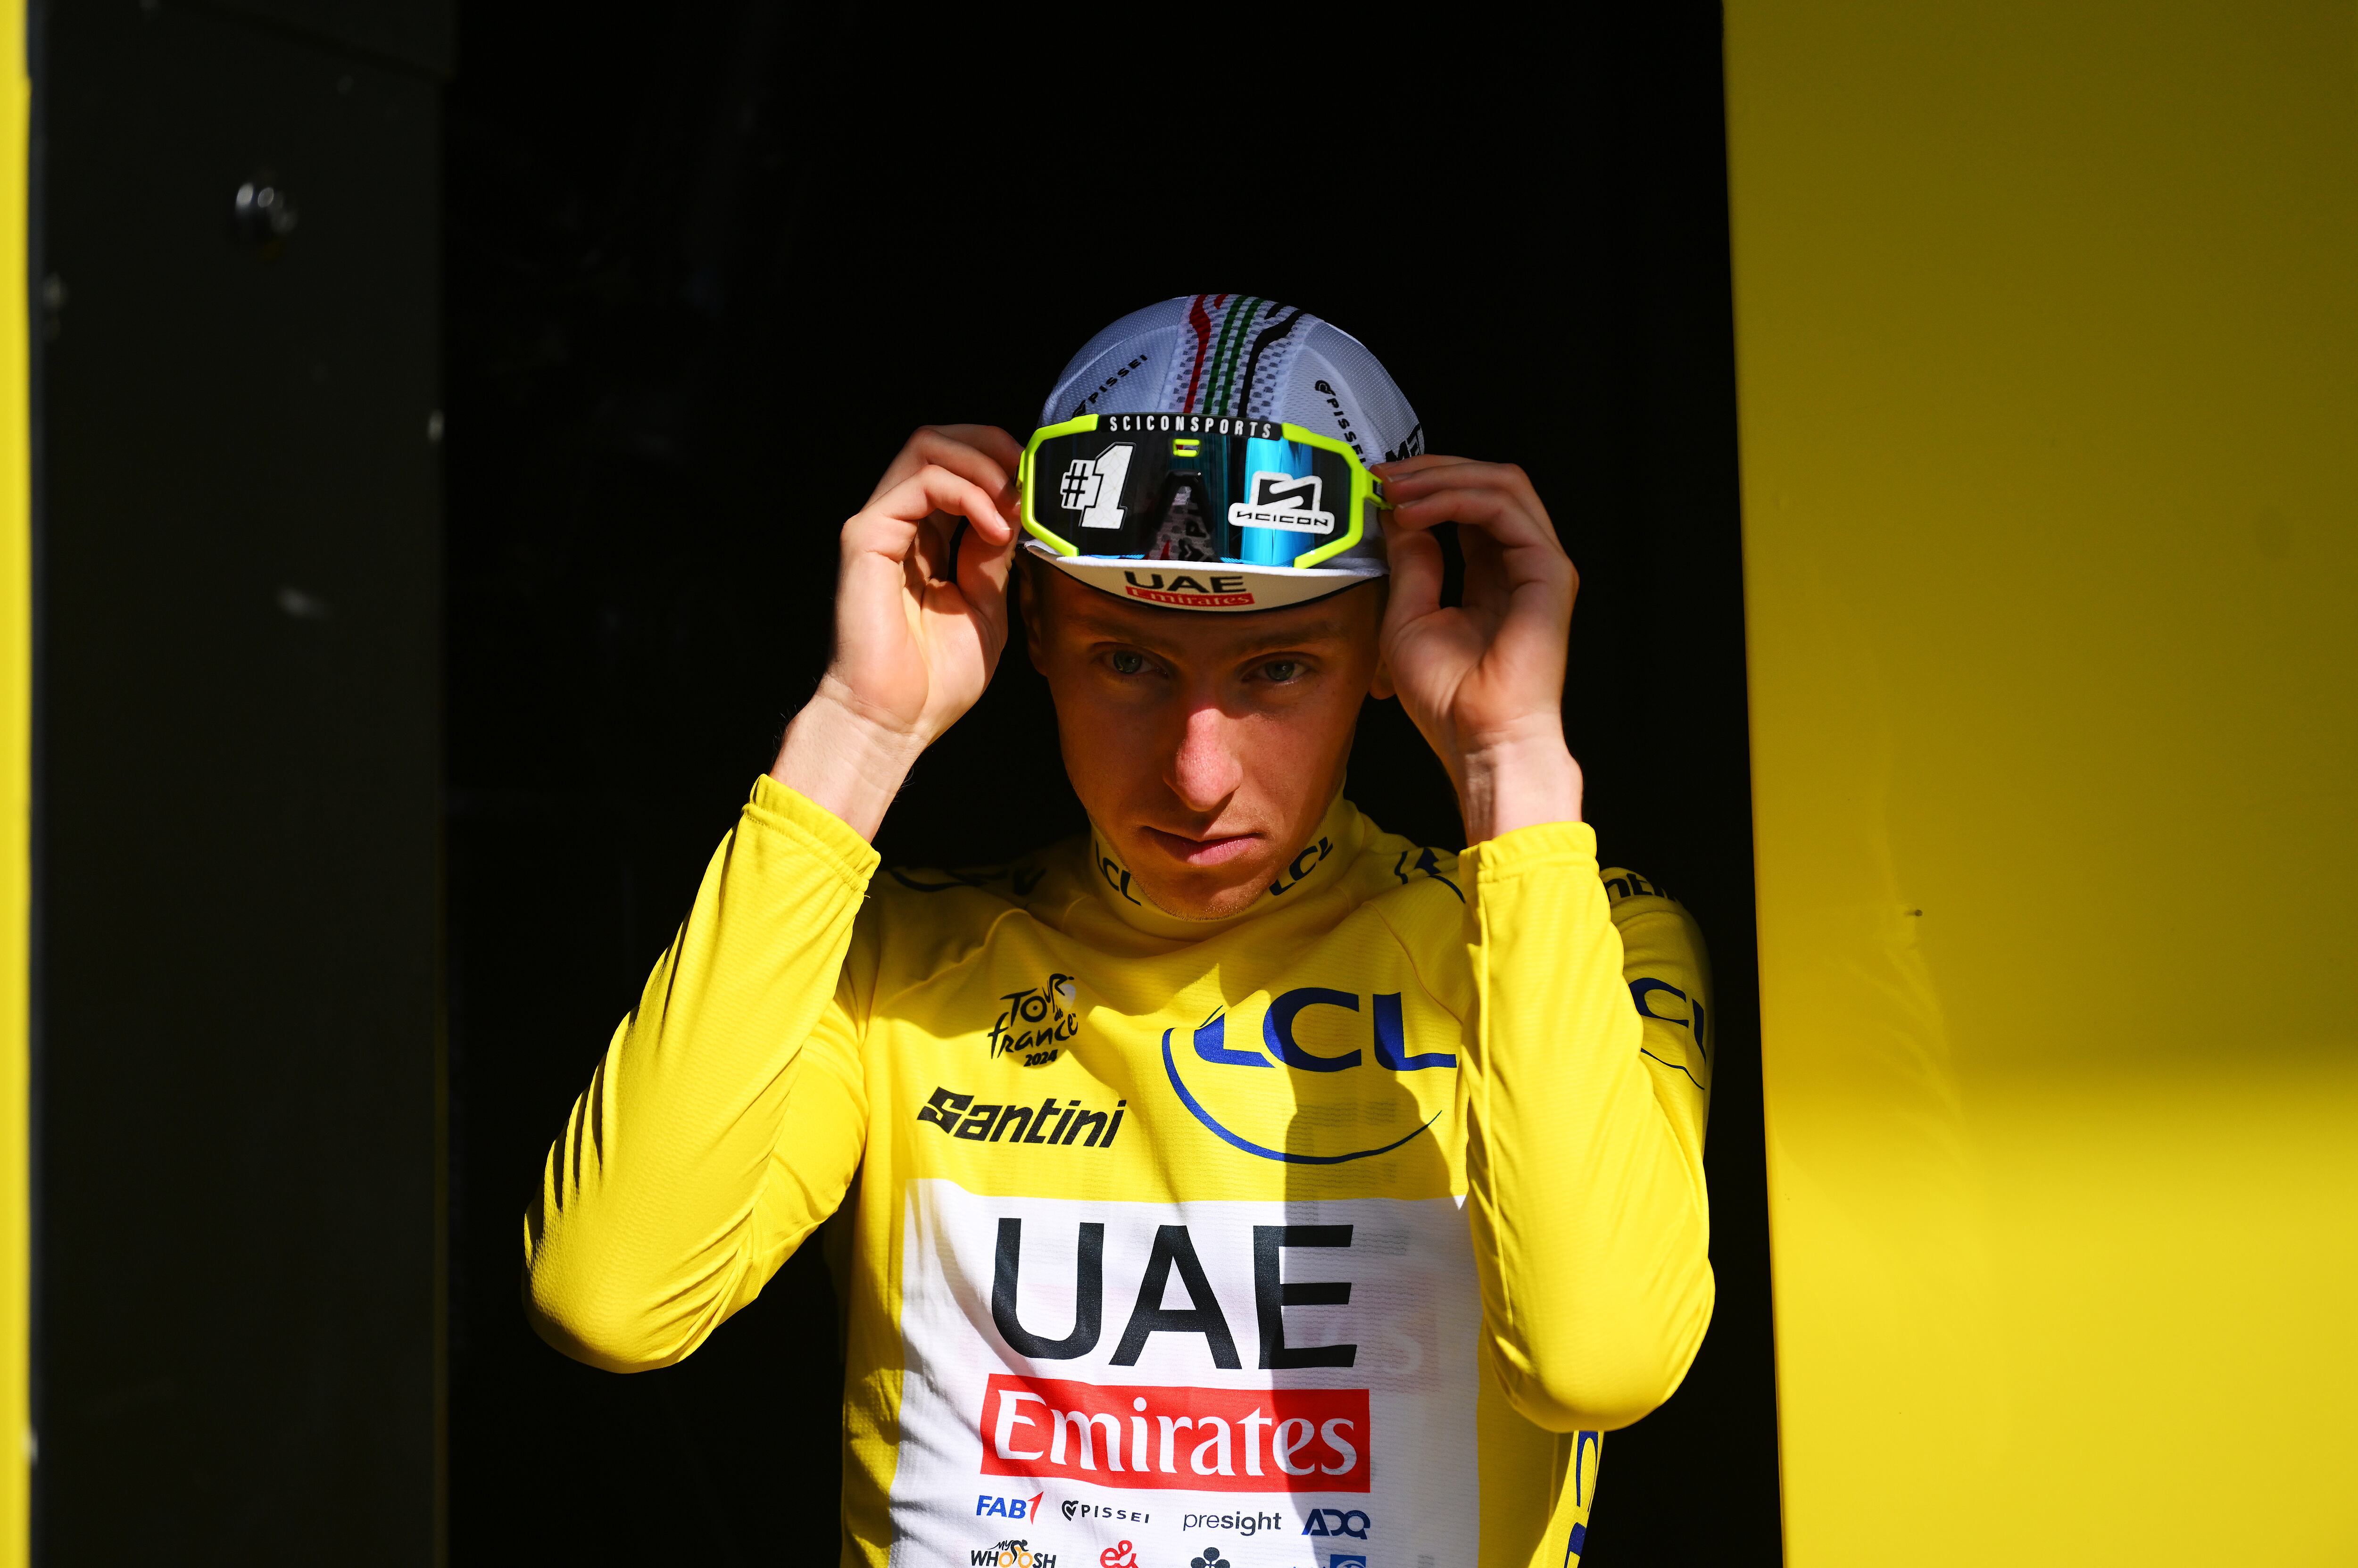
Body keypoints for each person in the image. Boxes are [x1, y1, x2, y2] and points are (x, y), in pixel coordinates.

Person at [523, 294, 1716, 1568]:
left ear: (1385, 644)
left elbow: (1599, 1366)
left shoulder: (1579, 931)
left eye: (1278, 670)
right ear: (1033, 628)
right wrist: (856, 735)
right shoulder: (894, 965)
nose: (1197, 775)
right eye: (1130, 664)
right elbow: (611, 1298)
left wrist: (1514, 764)